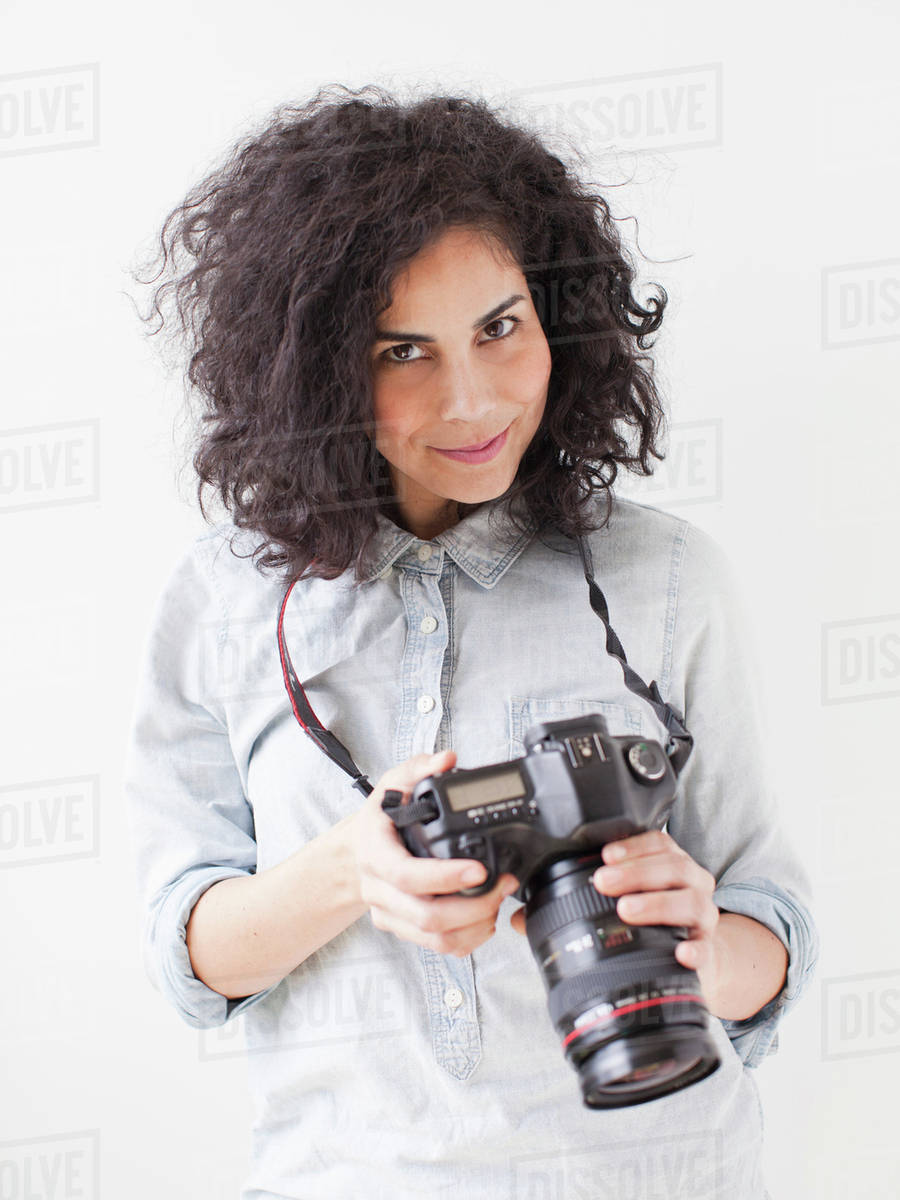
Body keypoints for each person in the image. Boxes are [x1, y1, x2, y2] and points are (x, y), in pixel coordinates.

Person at [125, 83, 818, 1199]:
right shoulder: (226, 600)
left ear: (558, 317)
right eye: (403, 352)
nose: (472, 401)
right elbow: (189, 958)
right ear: (315, 371)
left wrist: (700, 934)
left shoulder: (667, 577)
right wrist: (353, 869)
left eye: (500, 328)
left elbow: (772, 935)